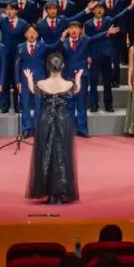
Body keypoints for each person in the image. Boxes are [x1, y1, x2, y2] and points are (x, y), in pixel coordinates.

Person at [24, 55, 82, 204]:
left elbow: (32, 90)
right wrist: (78, 78)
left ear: (48, 67)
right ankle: (61, 190)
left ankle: (48, 190)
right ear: (62, 66)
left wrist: (29, 78)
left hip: (46, 120)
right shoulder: (68, 84)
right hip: (63, 121)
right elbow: (77, 90)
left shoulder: (42, 83)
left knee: (46, 153)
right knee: (62, 154)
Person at [59, 19, 120, 137]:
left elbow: (95, 37)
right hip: (68, 76)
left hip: (82, 76)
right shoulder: (63, 42)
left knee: (81, 103)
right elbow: (56, 50)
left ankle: (82, 129)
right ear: (68, 30)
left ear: (80, 30)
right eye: (71, 28)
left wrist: (106, 33)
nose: (74, 30)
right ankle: (68, 130)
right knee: (69, 104)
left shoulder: (85, 40)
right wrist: (61, 39)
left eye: (76, 28)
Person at [85, 0, 134, 113]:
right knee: (93, 82)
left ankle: (108, 105)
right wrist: (88, 55)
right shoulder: (88, 24)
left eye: (101, 8)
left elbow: (120, 15)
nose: (99, 10)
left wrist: (130, 6)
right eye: (96, 8)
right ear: (93, 11)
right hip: (94, 57)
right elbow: (87, 41)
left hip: (107, 56)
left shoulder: (108, 20)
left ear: (104, 11)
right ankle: (94, 105)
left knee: (107, 83)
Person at [15, 24, 64, 138]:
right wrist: (17, 81)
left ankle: (37, 128)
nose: (32, 34)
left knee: (38, 106)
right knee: (25, 105)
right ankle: (26, 129)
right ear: (25, 34)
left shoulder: (42, 45)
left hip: (39, 80)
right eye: (29, 32)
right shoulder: (20, 47)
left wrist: (61, 39)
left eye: (34, 32)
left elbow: (54, 46)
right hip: (24, 79)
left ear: (37, 34)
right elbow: (17, 65)